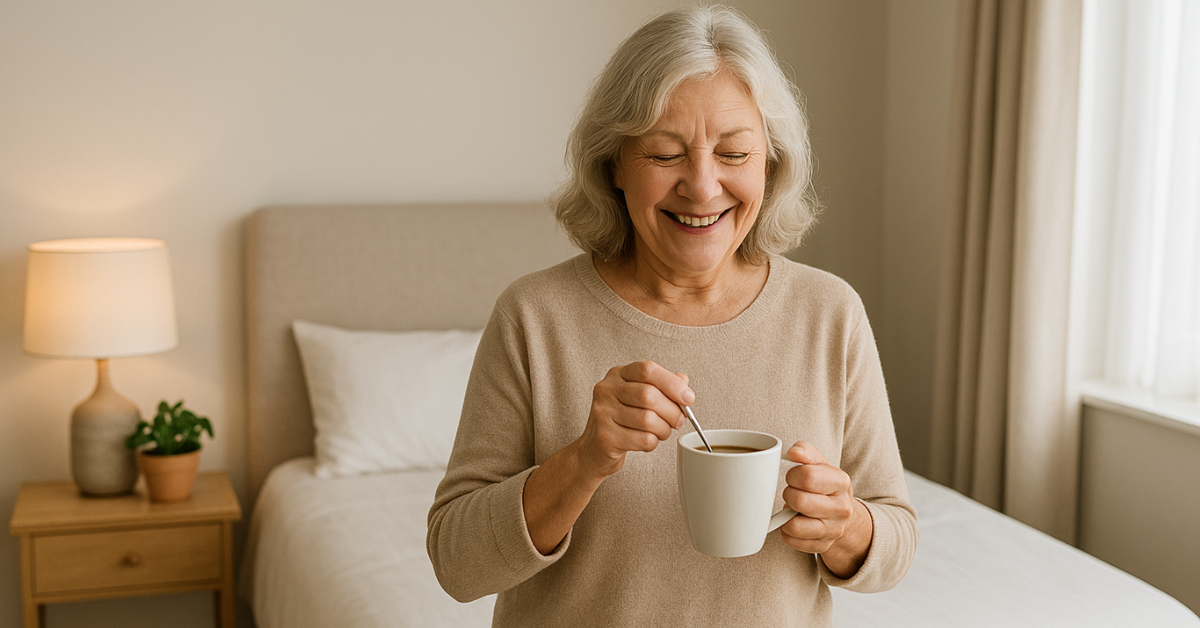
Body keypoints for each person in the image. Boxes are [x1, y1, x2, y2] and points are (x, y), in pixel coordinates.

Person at [427, 5, 916, 626]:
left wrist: (849, 528)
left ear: (770, 163)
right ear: (614, 165)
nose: (703, 186)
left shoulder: (829, 314)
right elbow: (455, 562)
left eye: (734, 153)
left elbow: (896, 536)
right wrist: (582, 460)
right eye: (665, 155)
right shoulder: (534, 317)